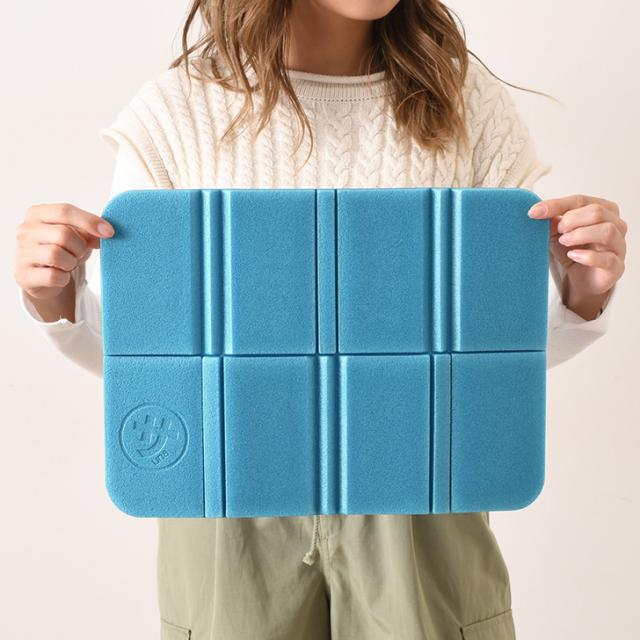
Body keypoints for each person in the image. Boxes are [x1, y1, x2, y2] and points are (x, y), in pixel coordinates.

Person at [13, 1, 628, 638]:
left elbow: (490, 367)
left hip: (423, 480)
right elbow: (150, 367)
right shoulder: (176, 113)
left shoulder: (468, 106)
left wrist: (581, 294)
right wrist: (55, 297)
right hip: (228, 485)